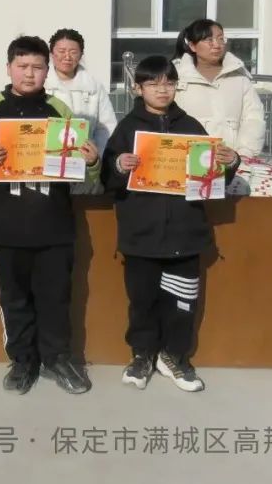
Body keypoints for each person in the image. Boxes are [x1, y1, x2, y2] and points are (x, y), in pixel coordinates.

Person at [0, 35, 100, 396]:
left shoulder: (58, 109)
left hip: (54, 223)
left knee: (56, 297)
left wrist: (91, 161)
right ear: (8, 68)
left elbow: (80, 167)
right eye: (22, 66)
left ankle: (57, 358)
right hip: (5, 224)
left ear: (47, 70)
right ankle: (22, 360)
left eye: (37, 67)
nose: (30, 73)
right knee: (14, 297)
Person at [102, 55, 240, 393]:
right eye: (153, 83)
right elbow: (107, 177)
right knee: (142, 302)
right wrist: (119, 165)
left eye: (169, 83)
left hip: (184, 234)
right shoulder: (128, 128)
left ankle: (174, 356)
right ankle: (142, 355)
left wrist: (230, 163)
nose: (162, 90)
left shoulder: (190, 126)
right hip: (141, 236)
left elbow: (212, 178)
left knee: (182, 303)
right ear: (139, 88)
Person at [173, 19, 265, 159]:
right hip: (185, 159)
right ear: (192, 46)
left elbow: (253, 118)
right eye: (209, 40)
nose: (216, 45)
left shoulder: (239, 77)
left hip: (230, 160)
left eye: (220, 39)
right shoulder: (177, 77)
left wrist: (243, 154)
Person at [45, 28, 118, 192]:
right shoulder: (42, 85)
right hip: (49, 167)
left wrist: (96, 155)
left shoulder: (93, 87)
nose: (67, 57)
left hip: (86, 168)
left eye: (73, 52)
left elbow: (106, 127)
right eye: (61, 51)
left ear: (81, 54)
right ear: (51, 54)